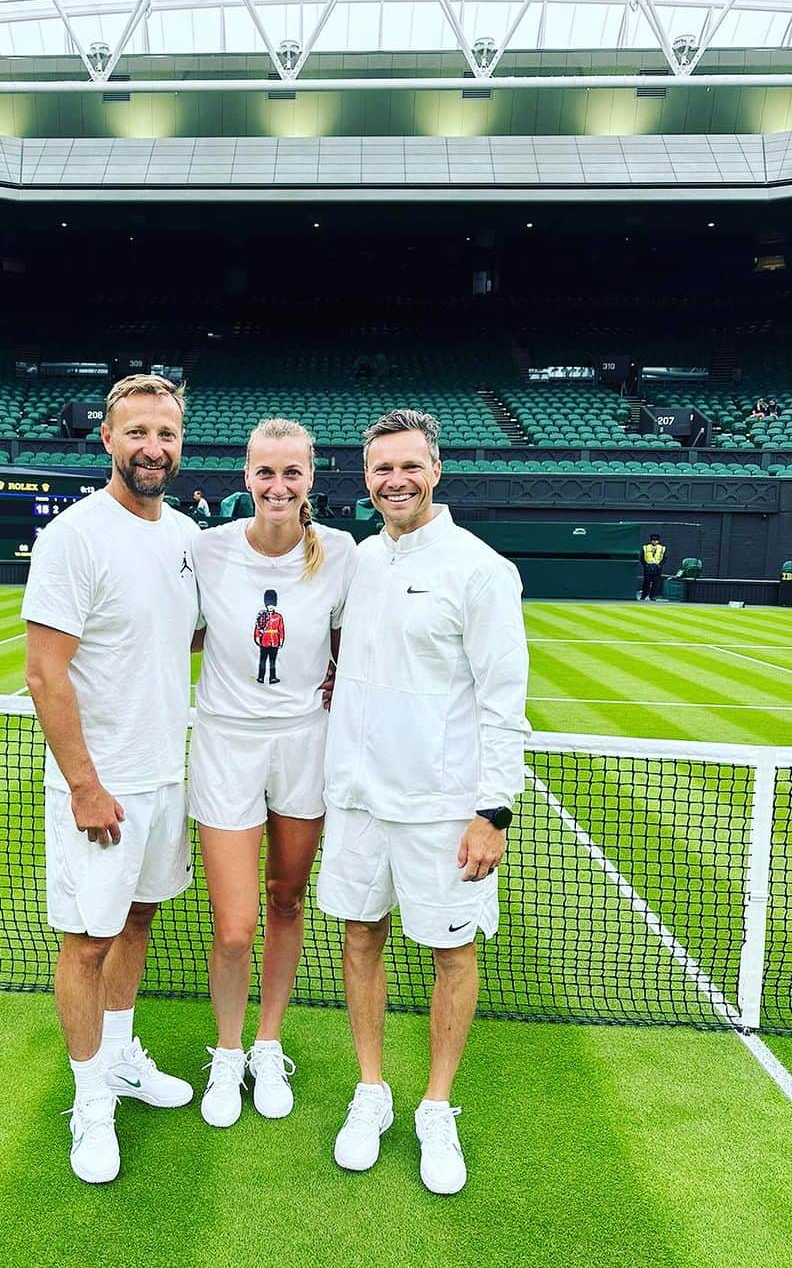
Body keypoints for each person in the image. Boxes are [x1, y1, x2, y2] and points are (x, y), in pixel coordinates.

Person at [317, 408, 529, 1196]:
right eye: (381, 468)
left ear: (435, 470)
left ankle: (435, 1107)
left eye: (409, 465)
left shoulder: (481, 569)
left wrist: (493, 809)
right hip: (358, 802)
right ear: (366, 477)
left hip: (444, 808)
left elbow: (506, 701)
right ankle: (371, 1091)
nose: (395, 479)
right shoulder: (361, 560)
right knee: (359, 938)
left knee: (452, 953)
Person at [22, 373, 200, 1185]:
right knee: (88, 940)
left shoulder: (185, 536)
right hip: (103, 786)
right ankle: (91, 1102)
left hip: (167, 777)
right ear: (107, 438)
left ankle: (122, 1059)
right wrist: (86, 785)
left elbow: (178, 643)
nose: (151, 447)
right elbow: (44, 673)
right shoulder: (74, 536)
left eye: (164, 433)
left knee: (137, 924)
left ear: (180, 441)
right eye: (136, 432)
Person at [189, 418, 358, 1128]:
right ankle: (226, 1052)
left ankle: (266, 1043)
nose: (278, 486)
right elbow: (177, 631)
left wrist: (338, 678)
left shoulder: (344, 554)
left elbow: (357, 642)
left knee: (287, 902)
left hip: (305, 746)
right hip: (225, 744)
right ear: (247, 476)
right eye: (266, 472)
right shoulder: (206, 550)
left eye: (292, 473)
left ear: (310, 478)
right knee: (235, 926)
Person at [640, 532, 666, 601]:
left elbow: (664, 558)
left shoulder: (662, 548)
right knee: (646, 582)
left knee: (655, 582)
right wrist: (645, 565)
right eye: (653, 540)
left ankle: (653, 596)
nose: (654, 541)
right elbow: (642, 557)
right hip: (648, 566)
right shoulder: (646, 547)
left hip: (657, 567)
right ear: (651, 540)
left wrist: (660, 565)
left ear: (658, 541)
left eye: (656, 540)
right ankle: (644, 595)